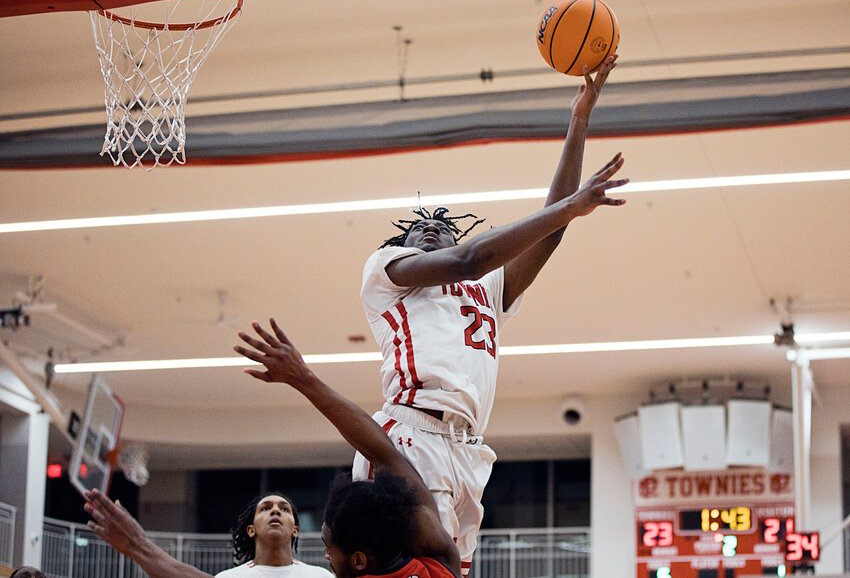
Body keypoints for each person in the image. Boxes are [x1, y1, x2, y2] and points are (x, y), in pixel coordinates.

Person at [355, 55, 625, 575]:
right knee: (405, 569)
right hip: (411, 433)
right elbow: (469, 256)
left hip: (468, 448)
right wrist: (571, 206)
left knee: (451, 572)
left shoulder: (487, 285)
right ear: (402, 246)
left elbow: (547, 233)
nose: (431, 230)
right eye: (418, 231)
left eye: (443, 227)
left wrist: (579, 122)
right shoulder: (386, 274)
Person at [235, 318, 461, 578]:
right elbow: (386, 457)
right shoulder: (439, 563)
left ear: (359, 560)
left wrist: (304, 379)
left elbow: (384, 457)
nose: (327, 557)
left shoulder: (443, 564)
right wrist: (303, 380)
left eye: (329, 549)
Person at [83, 488, 332, 577]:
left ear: (296, 530)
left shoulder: (321, 576)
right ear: (251, 529)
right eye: (265, 508)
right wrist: (135, 546)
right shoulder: (230, 577)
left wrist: (138, 546)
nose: (275, 511)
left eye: (284, 509)